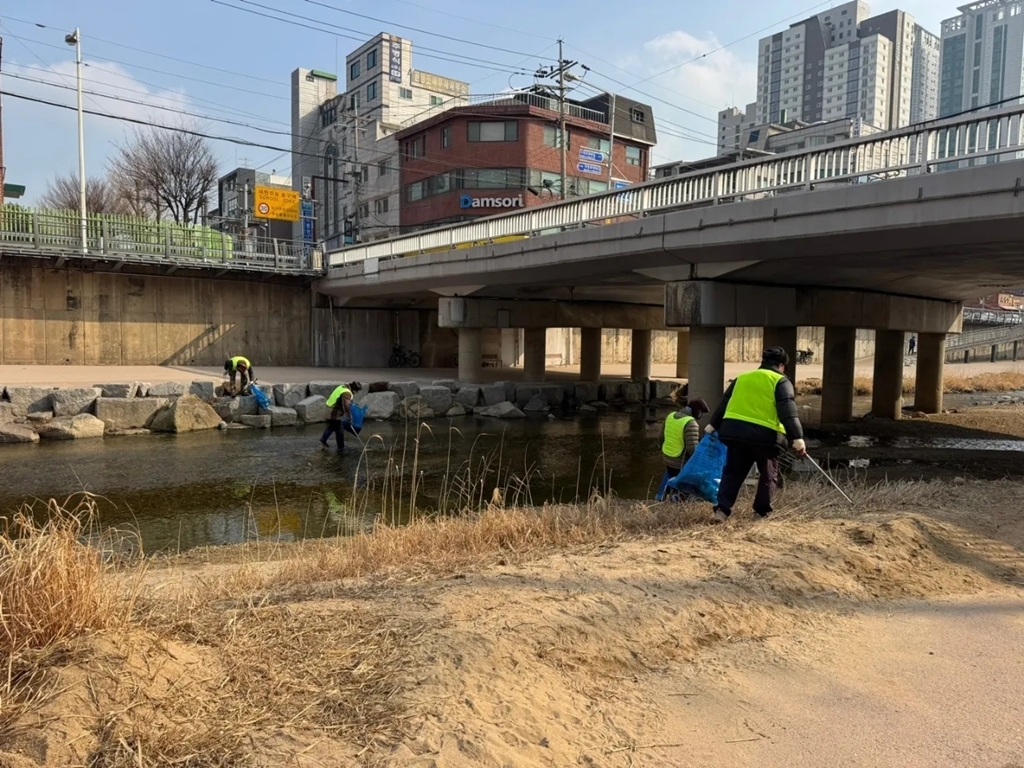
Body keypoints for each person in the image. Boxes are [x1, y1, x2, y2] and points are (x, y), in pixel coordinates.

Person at [705, 347, 806, 523]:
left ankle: (721, 511)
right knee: (768, 475)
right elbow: (788, 413)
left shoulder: (742, 378)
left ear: (763, 362)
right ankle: (761, 513)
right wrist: (797, 438)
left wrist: (713, 425)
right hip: (765, 438)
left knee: (732, 473)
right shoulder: (781, 381)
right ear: (781, 366)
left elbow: (723, 404)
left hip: (735, 433)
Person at [658, 391, 710, 498]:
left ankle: (661, 496)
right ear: (696, 411)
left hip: (667, 457)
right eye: (701, 413)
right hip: (679, 462)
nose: (701, 416)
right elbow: (692, 449)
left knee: (670, 475)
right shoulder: (691, 423)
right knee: (684, 485)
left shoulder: (670, 416)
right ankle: (677, 497)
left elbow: (661, 438)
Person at [320, 382, 363, 451]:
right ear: (354, 389)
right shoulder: (347, 393)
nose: (356, 393)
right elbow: (346, 405)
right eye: (357, 391)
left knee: (332, 427)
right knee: (339, 429)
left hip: (329, 409)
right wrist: (349, 417)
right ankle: (341, 447)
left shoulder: (342, 387)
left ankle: (324, 440)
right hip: (334, 412)